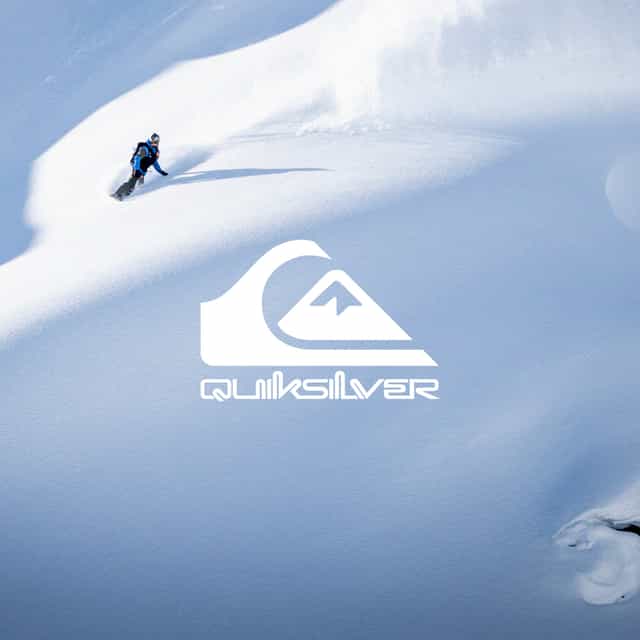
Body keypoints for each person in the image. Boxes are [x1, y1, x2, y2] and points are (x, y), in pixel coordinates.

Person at [112, 133, 169, 200]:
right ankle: (117, 194)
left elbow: (154, 162)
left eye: (157, 141)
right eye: (156, 141)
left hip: (142, 171)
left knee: (138, 185)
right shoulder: (145, 148)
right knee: (132, 182)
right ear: (152, 141)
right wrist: (136, 169)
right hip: (138, 168)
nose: (157, 143)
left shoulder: (154, 150)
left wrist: (161, 171)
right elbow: (137, 158)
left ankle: (124, 195)